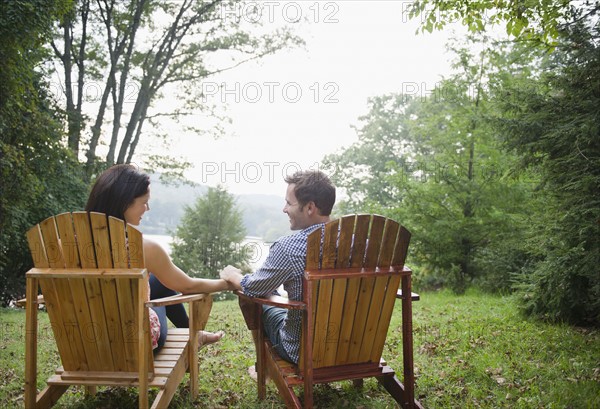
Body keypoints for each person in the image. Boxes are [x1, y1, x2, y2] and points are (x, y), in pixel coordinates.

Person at [85, 164, 231, 352]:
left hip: (87, 342)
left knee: (160, 282)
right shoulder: (144, 248)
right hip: (137, 344)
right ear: (124, 203)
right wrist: (228, 283)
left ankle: (194, 334)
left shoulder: (66, 246)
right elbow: (187, 286)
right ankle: (194, 335)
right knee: (159, 296)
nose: (147, 208)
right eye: (144, 202)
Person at [220, 170, 336, 368]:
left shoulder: (289, 247)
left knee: (255, 292)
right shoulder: (360, 243)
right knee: (268, 285)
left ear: (309, 207)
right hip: (357, 346)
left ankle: (262, 368)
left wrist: (234, 276)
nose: (284, 209)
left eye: (289, 203)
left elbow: (254, 288)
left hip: (301, 349)